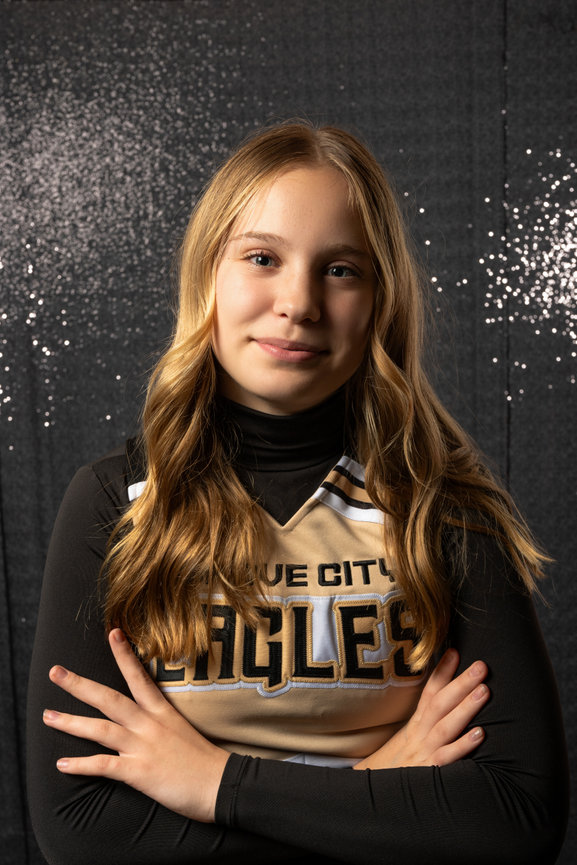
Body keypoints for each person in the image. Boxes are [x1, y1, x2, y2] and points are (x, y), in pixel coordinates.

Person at [27, 122, 568, 865]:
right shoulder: (117, 503)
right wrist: (379, 783)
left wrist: (214, 782)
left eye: (340, 269)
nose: (299, 301)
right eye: (261, 257)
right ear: (206, 274)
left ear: (380, 296)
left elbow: (514, 819)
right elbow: (83, 833)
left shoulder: (442, 508)